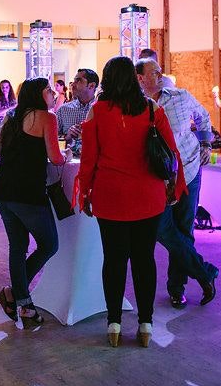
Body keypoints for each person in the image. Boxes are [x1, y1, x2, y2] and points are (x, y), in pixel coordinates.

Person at [78, 56, 184, 348]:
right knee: (144, 260)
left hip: (110, 197)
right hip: (147, 198)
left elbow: (88, 160)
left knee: (113, 260)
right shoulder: (152, 109)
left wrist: (84, 192)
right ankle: (146, 323)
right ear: (134, 79)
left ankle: (114, 323)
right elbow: (171, 153)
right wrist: (173, 187)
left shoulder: (96, 112)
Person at [136, 57, 218, 309]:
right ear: (140, 79)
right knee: (161, 229)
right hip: (158, 177)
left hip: (190, 170)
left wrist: (205, 143)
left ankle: (176, 289)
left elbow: (204, 117)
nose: (159, 75)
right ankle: (205, 272)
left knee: (184, 231)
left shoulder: (180, 96)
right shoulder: (136, 106)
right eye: (153, 73)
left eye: (160, 71)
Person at [0, 78, 67, 328]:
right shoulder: (47, 118)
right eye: (48, 90)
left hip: (3, 189)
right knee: (49, 244)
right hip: (27, 193)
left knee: (18, 246)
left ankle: (20, 300)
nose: (53, 93)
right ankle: (16, 295)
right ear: (38, 94)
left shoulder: (11, 117)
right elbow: (55, 158)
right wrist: (67, 154)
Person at [56, 68, 99, 143]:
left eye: (78, 80)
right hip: (69, 154)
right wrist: (67, 136)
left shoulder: (101, 110)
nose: (72, 84)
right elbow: (53, 138)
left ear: (91, 86)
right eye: (74, 80)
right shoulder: (63, 110)